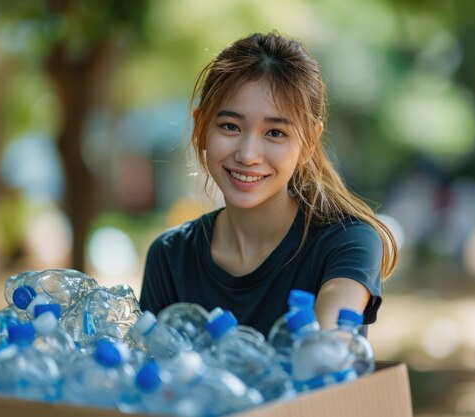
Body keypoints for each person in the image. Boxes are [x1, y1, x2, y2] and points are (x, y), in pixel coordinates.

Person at [139, 32, 397, 337]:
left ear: (310, 142)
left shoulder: (347, 242)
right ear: (201, 127)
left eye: (275, 133)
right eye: (230, 126)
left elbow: (331, 343)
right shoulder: (171, 257)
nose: (248, 155)